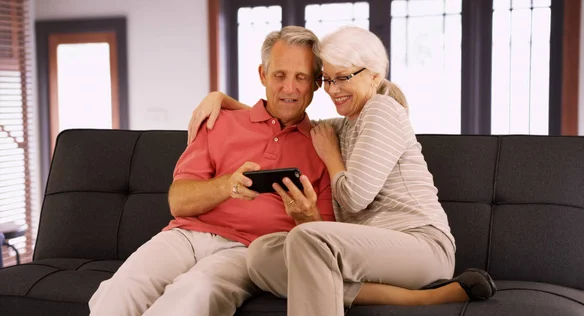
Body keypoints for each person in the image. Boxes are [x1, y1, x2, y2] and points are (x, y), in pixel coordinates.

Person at [187, 26, 497, 316]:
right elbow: (289, 115)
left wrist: (332, 157)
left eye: (344, 78)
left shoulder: (382, 109)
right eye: (327, 79)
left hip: (420, 247)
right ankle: (418, 299)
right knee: (262, 256)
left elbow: (354, 198)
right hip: (370, 253)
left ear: (374, 76)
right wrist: (224, 101)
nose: (334, 90)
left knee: (307, 238)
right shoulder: (344, 125)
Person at [88, 26, 335, 316]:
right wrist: (227, 185)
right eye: (280, 75)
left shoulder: (323, 146)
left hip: (250, 251)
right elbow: (178, 201)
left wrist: (306, 216)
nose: (289, 88)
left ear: (317, 83)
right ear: (263, 75)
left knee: (196, 292)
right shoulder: (220, 121)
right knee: (121, 288)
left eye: (301, 77)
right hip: (186, 237)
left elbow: (324, 238)